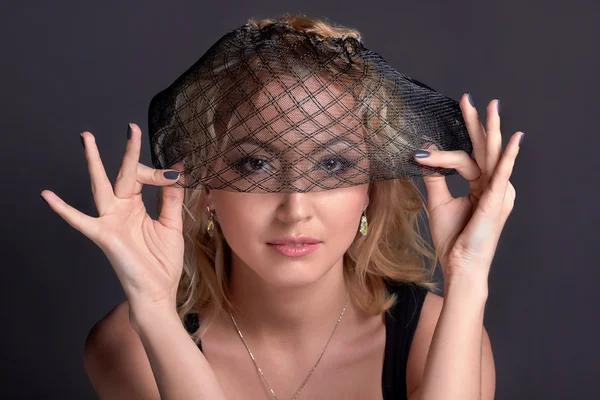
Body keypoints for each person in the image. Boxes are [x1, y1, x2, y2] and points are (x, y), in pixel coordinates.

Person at [40, 13, 523, 400]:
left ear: (371, 190)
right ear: (205, 187)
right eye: (255, 164)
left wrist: (467, 274)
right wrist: (153, 312)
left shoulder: (438, 330)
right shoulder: (131, 344)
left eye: (333, 165)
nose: (296, 208)